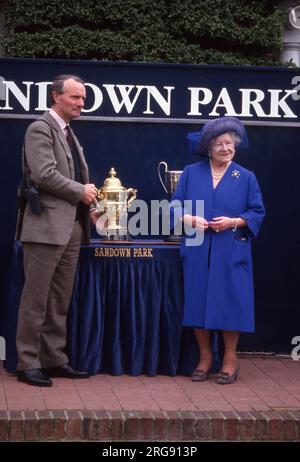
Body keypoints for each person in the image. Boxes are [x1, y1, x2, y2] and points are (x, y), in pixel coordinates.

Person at [15, 74, 99, 387]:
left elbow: (74, 177)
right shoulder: (40, 128)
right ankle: (27, 363)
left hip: (71, 229)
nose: (81, 104)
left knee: (59, 300)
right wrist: (81, 191)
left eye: (83, 99)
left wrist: (90, 207)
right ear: (56, 96)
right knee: (36, 299)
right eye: (75, 98)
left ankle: (53, 359)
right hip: (45, 228)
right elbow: (44, 174)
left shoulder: (68, 132)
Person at [172, 116, 265, 384]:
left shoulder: (246, 177)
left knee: (231, 304)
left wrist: (233, 222)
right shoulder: (192, 172)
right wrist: (189, 220)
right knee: (197, 302)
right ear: (208, 148)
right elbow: (174, 206)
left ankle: (230, 359)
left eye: (229, 143)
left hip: (230, 249)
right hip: (198, 248)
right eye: (219, 144)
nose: (225, 148)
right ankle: (205, 357)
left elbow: (257, 212)